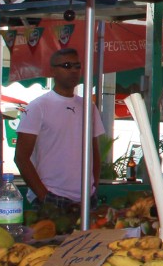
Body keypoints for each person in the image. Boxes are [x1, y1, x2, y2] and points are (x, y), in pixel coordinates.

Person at [14, 48, 102, 213]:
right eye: (67, 66)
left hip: (87, 198)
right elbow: (21, 157)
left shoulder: (89, 107)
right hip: (51, 196)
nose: (73, 70)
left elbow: (95, 152)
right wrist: (44, 196)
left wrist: (93, 187)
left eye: (77, 66)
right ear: (53, 71)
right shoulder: (38, 107)